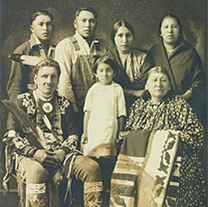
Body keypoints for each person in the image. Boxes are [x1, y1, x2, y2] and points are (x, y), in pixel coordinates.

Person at [4, 59, 105, 207]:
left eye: (53, 77)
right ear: (35, 79)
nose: (49, 81)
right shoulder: (21, 102)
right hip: (29, 154)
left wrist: (62, 151)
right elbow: (11, 137)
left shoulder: (64, 103)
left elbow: (73, 136)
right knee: (36, 171)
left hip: (60, 153)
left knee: (92, 168)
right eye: (44, 76)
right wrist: (35, 152)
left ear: (58, 80)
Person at [111, 66, 206, 207]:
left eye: (163, 81)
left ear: (169, 86)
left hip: (174, 163)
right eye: (154, 80)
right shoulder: (138, 106)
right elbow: (123, 136)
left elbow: (197, 135)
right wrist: (146, 138)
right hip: (142, 162)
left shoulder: (179, 105)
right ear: (146, 85)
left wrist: (170, 137)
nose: (158, 84)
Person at [55, 6, 109, 137]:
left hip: (100, 107)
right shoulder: (66, 45)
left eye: (91, 21)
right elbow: (64, 83)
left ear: (96, 23)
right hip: (75, 108)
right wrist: (74, 109)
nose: (87, 25)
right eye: (83, 21)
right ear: (75, 23)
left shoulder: (103, 46)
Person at [142, 14, 206, 123]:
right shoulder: (154, 52)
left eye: (174, 27)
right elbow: (145, 77)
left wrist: (185, 96)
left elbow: (200, 79)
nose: (170, 31)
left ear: (180, 32)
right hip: (158, 106)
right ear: (160, 33)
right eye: (166, 27)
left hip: (186, 105)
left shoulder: (190, 52)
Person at [81, 55, 126, 206]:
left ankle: (107, 198)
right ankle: (94, 199)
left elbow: (121, 114)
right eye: (101, 70)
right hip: (94, 131)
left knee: (108, 162)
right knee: (93, 163)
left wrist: (120, 132)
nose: (105, 74)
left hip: (109, 130)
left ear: (114, 72)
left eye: (108, 70)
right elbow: (87, 112)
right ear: (96, 73)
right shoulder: (93, 90)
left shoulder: (117, 89)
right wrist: (85, 132)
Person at [6, 10, 55, 101]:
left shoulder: (57, 49)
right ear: (32, 28)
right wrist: (19, 111)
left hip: (51, 103)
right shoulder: (22, 51)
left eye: (49, 24)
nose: (45, 28)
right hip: (30, 104)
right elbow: (15, 87)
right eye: (40, 24)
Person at [106, 21, 149, 110]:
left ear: (133, 37)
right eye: (120, 35)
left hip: (141, 103)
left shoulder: (143, 57)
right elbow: (107, 86)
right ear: (113, 38)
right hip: (115, 103)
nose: (124, 40)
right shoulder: (107, 59)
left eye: (128, 35)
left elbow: (147, 81)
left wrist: (123, 88)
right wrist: (134, 92)